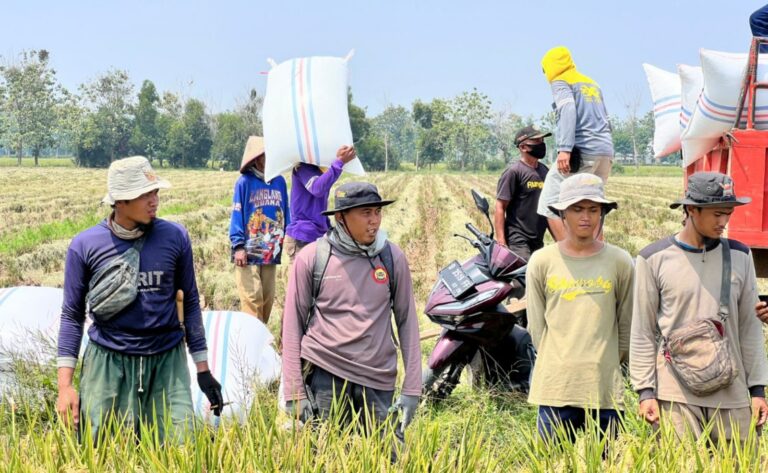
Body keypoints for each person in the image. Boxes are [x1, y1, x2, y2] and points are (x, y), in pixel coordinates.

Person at [56, 156, 223, 442]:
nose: (154, 200)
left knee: (179, 449)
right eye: (144, 194)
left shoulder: (175, 237)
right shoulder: (85, 246)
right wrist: (65, 386)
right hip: (108, 360)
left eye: (155, 192)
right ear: (119, 201)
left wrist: (202, 369)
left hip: (166, 361)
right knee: (103, 451)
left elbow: (191, 301)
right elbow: (72, 315)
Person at [631, 172, 768, 444]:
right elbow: (642, 331)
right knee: (679, 463)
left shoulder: (740, 256)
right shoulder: (653, 259)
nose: (723, 222)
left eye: (728, 213)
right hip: (675, 394)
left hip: (732, 390)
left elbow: (749, 328)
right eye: (717, 214)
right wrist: (646, 392)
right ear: (691, 209)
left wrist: (757, 390)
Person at [281, 182, 421, 436]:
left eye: (377, 212)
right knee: (326, 457)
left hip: (378, 377)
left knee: (387, 458)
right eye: (366, 212)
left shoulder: (392, 258)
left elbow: (407, 321)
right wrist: (294, 391)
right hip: (326, 374)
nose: (374, 221)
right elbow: (292, 325)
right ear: (341, 218)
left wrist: (413, 387)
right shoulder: (313, 258)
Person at [525, 173, 633, 444]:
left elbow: (627, 324)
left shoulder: (620, 261)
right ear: (562, 214)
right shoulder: (541, 261)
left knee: (608, 464)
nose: (585, 217)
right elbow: (537, 328)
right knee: (553, 464)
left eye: (593, 209)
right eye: (577, 209)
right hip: (556, 386)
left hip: (604, 387)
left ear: (602, 214)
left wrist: (608, 360)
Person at [537, 46, 614, 242]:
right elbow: (606, 118)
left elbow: (568, 110)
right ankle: (598, 253)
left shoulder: (561, 80)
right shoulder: (592, 84)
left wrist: (565, 149)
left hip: (583, 152)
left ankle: (573, 255)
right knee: (590, 202)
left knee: (551, 202)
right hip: (604, 153)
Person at [229, 136, 290, 324]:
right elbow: (237, 213)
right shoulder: (244, 182)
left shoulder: (279, 182)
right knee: (252, 299)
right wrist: (238, 246)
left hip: (271, 251)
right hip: (248, 252)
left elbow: (286, 211)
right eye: (266, 156)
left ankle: (260, 341)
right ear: (257, 159)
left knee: (267, 299)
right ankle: (250, 344)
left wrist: (288, 237)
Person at [283, 145, 356, 268]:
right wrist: (339, 162)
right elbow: (317, 188)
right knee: (302, 284)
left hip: (317, 234)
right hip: (303, 235)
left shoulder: (321, 171)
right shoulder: (302, 168)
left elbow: (319, 206)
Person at [494, 125, 551, 261]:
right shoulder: (514, 172)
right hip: (517, 238)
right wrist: (501, 241)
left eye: (542, 141)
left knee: (536, 279)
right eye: (537, 141)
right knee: (524, 276)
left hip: (537, 238)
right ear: (523, 147)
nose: (541, 145)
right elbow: (500, 206)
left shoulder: (545, 171)